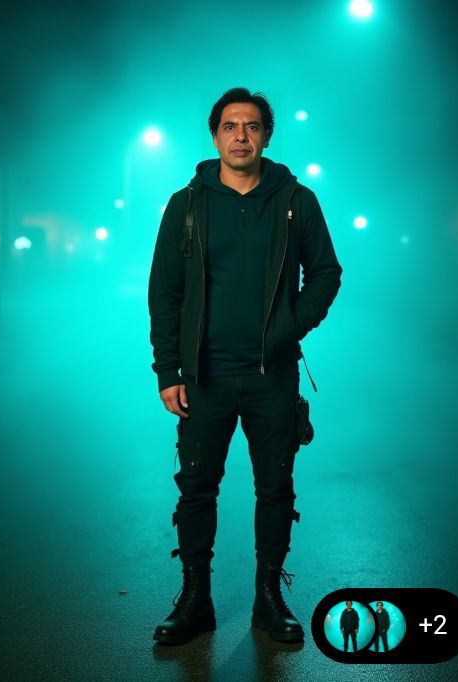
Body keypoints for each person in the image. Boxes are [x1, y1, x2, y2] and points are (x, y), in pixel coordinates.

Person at [148, 87, 342, 645]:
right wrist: (168, 371)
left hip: (271, 376)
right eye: (230, 126)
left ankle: (268, 600)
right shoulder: (186, 204)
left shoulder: (295, 201)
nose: (241, 135)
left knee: (275, 487)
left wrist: (287, 329)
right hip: (203, 377)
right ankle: (195, 602)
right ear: (215, 136)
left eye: (252, 126)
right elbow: (164, 292)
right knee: (196, 490)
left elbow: (326, 273)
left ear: (266, 137)